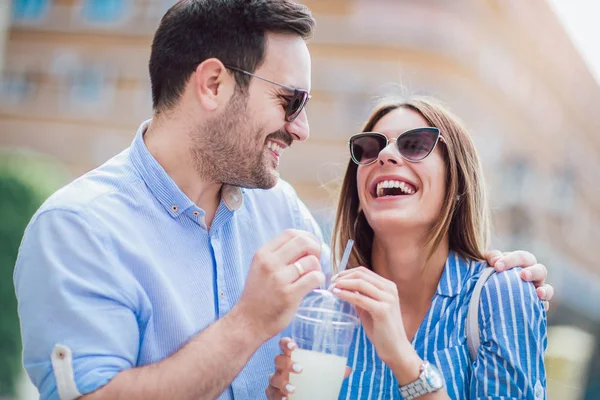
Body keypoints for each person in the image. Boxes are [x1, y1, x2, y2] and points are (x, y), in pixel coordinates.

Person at [13, 1, 552, 400]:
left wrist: (507, 287)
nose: (302, 129)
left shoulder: (284, 213)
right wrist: (250, 322)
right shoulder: (78, 228)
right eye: (289, 101)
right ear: (213, 84)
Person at [266, 96, 548, 400]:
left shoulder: (503, 294)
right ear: (359, 192)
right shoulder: (330, 307)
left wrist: (403, 360)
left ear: (455, 180)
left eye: (414, 144)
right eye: (369, 149)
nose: (385, 155)